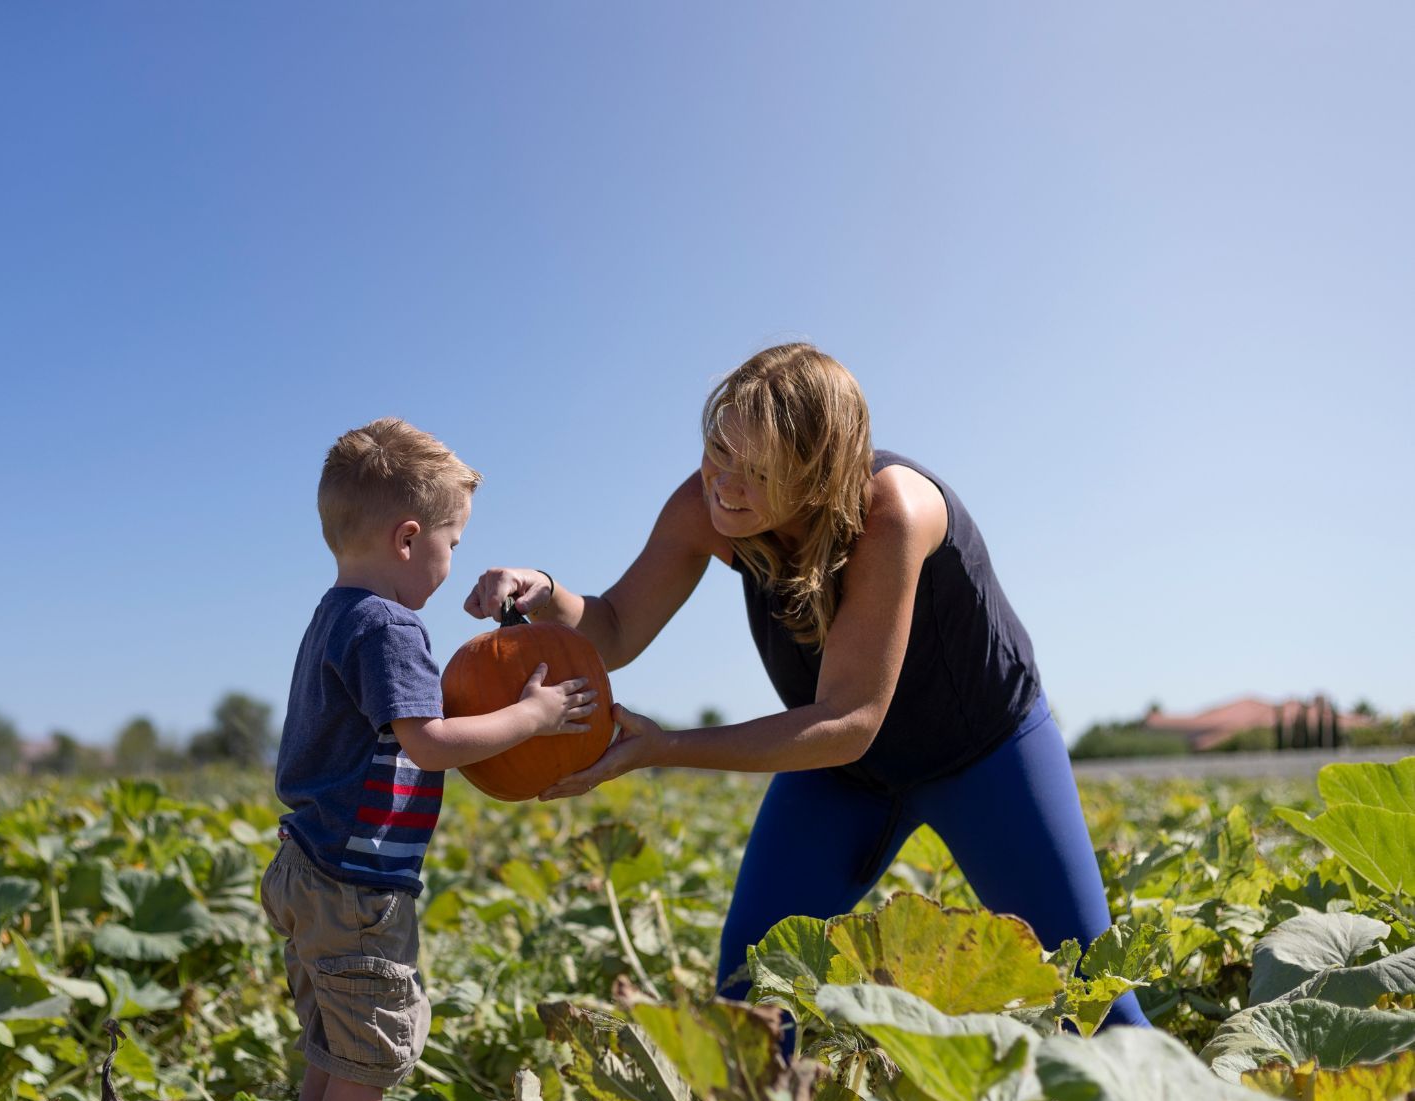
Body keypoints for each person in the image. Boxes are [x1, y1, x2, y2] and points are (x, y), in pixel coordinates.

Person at [465, 343, 1149, 1029]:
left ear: (816, 474)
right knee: (753, 982)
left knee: (1093, 999)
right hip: (841, 774)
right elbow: (613, 628)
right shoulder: (705, 505)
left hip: (983, 751)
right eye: (719, 449)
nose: (725, 482)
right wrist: (547, 591)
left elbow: (848, 719)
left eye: (756, 470)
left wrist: (663, 745)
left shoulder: (896, 513)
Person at [263, 417, 598, 1101]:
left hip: (309, 872)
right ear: (408, 539)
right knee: (370, 1068)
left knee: (335, 1054)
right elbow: (428, 742)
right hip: (358, 892)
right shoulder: (391, 626)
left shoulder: (334, 615)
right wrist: (532, 715)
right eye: (453, 544)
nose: (451, 563)